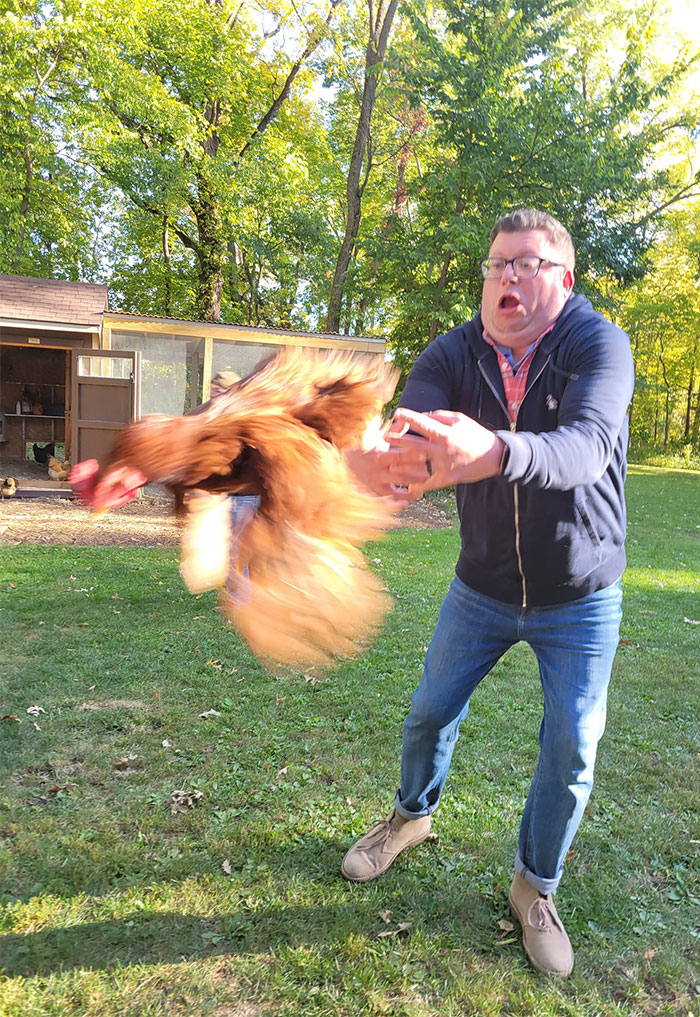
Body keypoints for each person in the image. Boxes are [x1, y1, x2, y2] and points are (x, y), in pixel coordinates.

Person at [342, 208, 635, 977]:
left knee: (572, 744)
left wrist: (496, 449)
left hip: (581, 595)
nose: (507, 275)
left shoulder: (597, 345)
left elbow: (585, 448)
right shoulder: (452, 353)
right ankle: (410, 818)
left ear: (562, 280)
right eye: (497, 263)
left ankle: (534, 886)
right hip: (482, 586)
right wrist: (378, 462)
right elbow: (411, 438)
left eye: (527, 263)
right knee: (431, 708)